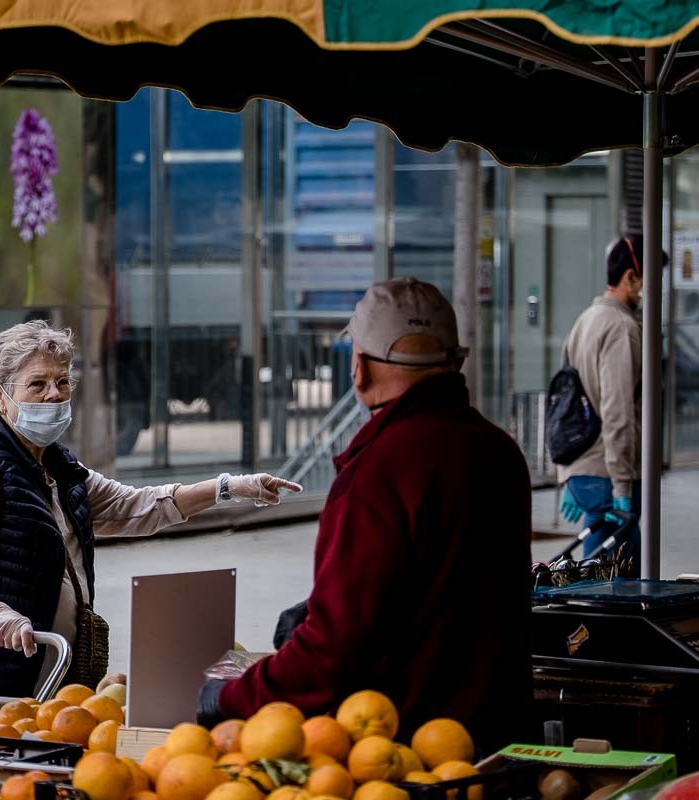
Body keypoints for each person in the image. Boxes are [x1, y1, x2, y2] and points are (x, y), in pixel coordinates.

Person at [198, 277, 532, 753]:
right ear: (453, 362)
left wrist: (230, 697)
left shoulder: (378, 472)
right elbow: (440, 587)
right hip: (501, 743)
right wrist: (320, 608)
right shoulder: (499, 452)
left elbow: (334, 654)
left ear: (359, 369)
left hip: (408, 756)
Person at [0, 321, 301, 702]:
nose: (54, 394)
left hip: (41, 676)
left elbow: (137, 507)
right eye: (37, 384)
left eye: (62, 382)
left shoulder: (56, 466)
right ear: (0, 396)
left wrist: (227, 487)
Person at [556, 235, 663, 576]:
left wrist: (569, 473)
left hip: (586, 471)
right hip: (610, 473)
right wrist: (622, 486)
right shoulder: (622, 327)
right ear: (632, 277)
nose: (655, 290)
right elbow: (618, 413)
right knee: (618, 585)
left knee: (594, 573)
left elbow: (566, 401)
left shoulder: (586, 319)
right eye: (653, 279)